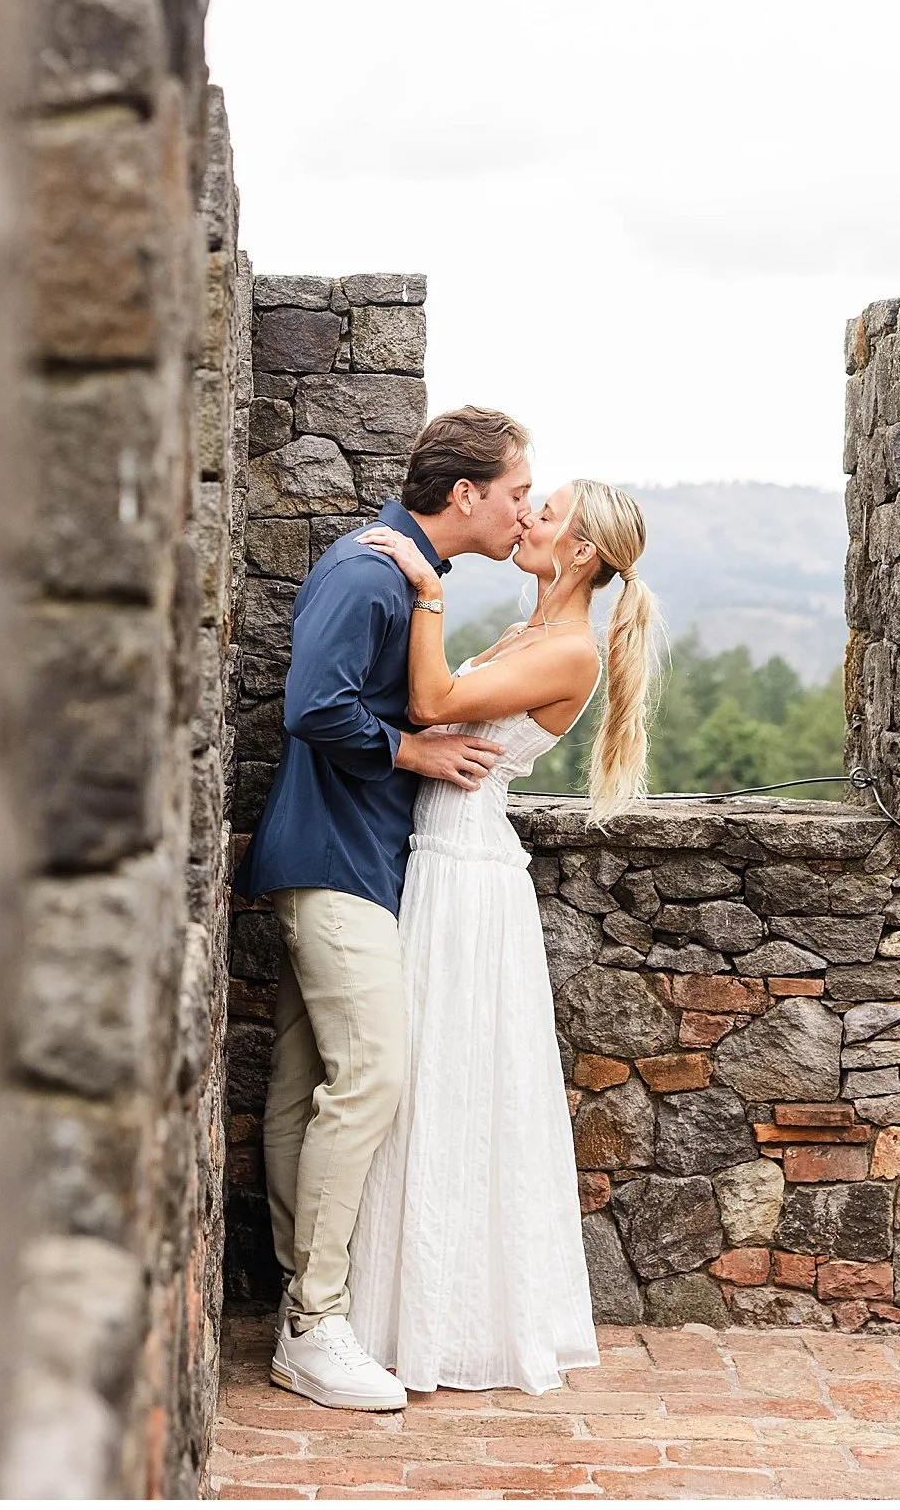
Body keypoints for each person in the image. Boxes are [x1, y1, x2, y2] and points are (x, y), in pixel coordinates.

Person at [234, 406, 536, 1412]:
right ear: (466, 494)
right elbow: (313, 704)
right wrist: (418, 751)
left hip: (351, 858)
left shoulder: (408, 571)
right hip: (329, 860)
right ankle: (317, 1323)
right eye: (516, 491)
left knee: (305, 1078)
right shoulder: (371, 570)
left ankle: (313, 1302)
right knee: (371, 1074)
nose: (523, 508)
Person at [347, 479, 659, 1394]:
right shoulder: (531, 633)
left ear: (585, 553)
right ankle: (405, 1310)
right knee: (422, 1086)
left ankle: (455, 1327)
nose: (529, 519)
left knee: (455, 1086)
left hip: (469, 879)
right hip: (437, 858)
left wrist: (426, 587)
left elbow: (437, 699)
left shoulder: (569, 651)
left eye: (548, 512)